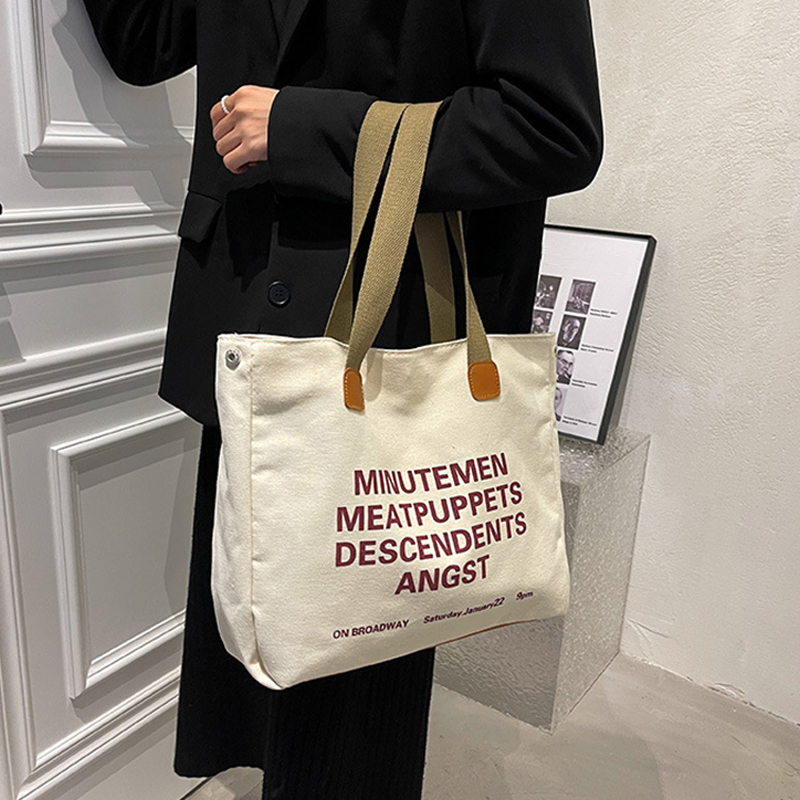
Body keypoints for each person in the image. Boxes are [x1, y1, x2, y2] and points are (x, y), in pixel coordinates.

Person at [79, 0, 603, 797]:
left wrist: (302, 128)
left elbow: (551, 126)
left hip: (391, 337)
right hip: (250, 323)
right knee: (257, 641)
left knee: (359, 693)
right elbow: (143, 41)